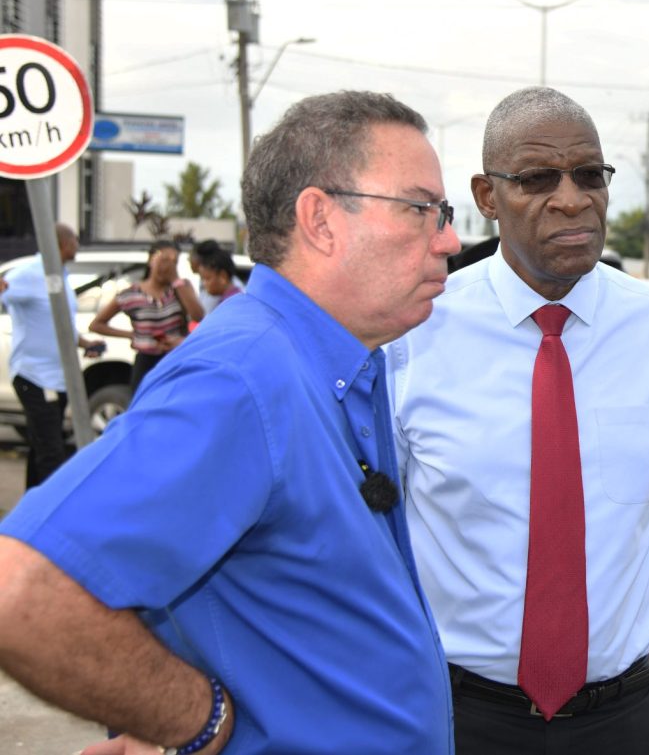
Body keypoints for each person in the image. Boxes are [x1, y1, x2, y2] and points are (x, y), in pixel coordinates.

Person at [0, 90, 461, 754]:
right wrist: (196, 718)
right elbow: (25, 593)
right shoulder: (242, 380)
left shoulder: (335, 360)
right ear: (321, 220)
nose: (447, 237)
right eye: (422, 209)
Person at [388, 86, 649, 755]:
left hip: (628, 718)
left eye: (590, 175)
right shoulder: (415, 331)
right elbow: (366, 524)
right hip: (452, 716)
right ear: (486, 195)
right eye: (537, 178)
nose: (571, 197)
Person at [0, 224, 104, 488]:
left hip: (58, 377)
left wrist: (83, 342)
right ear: (62, 243)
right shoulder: (29, 273)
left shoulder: (59, 276)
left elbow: (60, 323)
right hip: (33, 375)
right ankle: (48, 517)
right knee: (52, 452)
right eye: (75, 240)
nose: (78, 244)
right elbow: (5, 290)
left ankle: (28, 510)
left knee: (42, 445)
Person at [89, 240, 205, 393]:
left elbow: (198, 315)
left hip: (175, 357)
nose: (168, 266)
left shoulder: (181, 287)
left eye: (174, 262)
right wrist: (132, 335)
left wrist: (175, 279)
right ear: (151, 260)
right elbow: (96, 324)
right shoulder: (131, 294)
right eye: (164, 260)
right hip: (146, 360)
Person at [189, 240, 246, 316]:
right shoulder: (225, 300)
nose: (205, 284)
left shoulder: (232, 302)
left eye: (207, 279)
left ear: (223, 276)